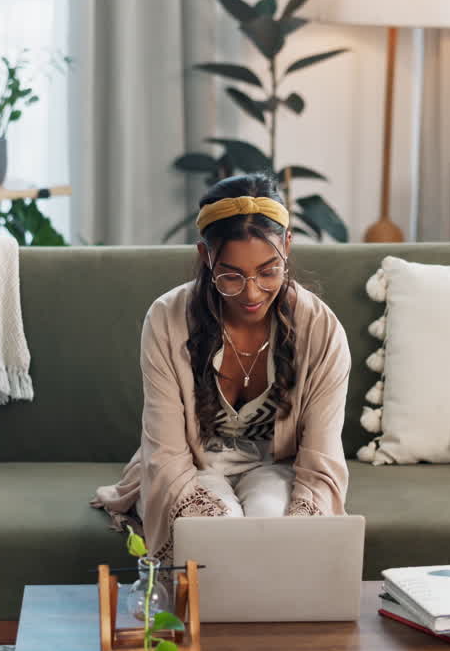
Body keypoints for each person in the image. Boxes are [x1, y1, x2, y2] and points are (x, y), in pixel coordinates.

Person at [91, 173, 352, 563]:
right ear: (205, 257)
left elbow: (321, 460)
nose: (251, 292)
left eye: (268, 272)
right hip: (192, 467)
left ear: (288, 249)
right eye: (231, 275)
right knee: (216, 532)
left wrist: (304, 527)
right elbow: (166, 455)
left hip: (275, 466)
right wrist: (207, 518)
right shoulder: (166, 319)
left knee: (278, 529)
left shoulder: (321, 329)